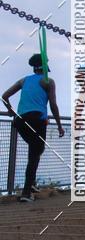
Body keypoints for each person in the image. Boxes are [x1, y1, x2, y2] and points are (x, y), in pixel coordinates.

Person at [2, 53, 65, 202]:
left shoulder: (24, 80)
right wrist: (59, 125)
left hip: (20, 121)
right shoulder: (48, 81)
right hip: (37, 120)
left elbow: (4, 96)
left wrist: (10, 110)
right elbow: (53, 105)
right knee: (35, 154)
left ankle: (31, 185)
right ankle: (26, 193)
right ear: (45, 67)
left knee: (35, 150)